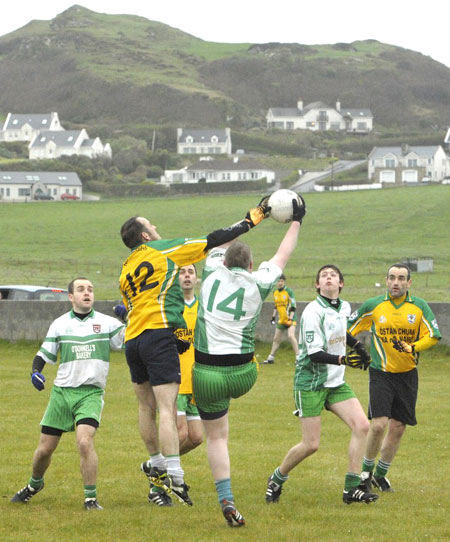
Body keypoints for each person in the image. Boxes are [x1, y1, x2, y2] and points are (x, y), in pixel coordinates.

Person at [119, 200, 269, 507]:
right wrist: (252, 219)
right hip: (157, 334)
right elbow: (212, 239)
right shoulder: (161, 250)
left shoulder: (125, 269)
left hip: (132, 339)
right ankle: (173, 471)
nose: (157, 229)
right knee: (166, 408)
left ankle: (155, 461)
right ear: (145, 236)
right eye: (152, 226)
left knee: (145, 407)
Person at [192, 196, 305, 527]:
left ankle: (226, 499)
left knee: (216, 437)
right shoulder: (261, 282)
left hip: (207, 372)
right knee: (224, 424)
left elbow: (220, 239)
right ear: (252, 267)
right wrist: (296, 219)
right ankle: (229, 499)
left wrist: (252, 219)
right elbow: (284, 254)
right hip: (244, 373)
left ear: (223, 262)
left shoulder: (211, 270)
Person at [265, 265, 378, 506]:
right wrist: (344, 359)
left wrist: (358, 348)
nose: (328, 277)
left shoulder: (343, 307)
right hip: (311, 382)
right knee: (311, 445)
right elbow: (315, 354)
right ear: (317, 285)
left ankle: (351, 489)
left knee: (362, 426)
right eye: (323, 276)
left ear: (341, 284)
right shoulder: (313, 312)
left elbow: (341, 331)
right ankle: (276, 478)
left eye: (333, 275)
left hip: (335, 383)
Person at [11, 277, 125, 510]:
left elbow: (132, 339)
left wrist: (128, 318)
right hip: (62, 393)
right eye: (81, 289)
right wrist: (35, 372)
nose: (87, 293)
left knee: (84, 442)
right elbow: (43, 355)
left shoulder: (107, 323)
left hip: (90, 393)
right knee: (44, 450)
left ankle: (90, 499)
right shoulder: (60, 324)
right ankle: (34, 484)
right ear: (71, 297)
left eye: (91, 289)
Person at [348, 263, 441, 493]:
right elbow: (347, 329)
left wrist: (413, 347)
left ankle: (380, 474)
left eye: (401, 278)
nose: (396, 282)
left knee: (398, 427)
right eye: (392, 278)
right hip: (381, 374)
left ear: (409, 283)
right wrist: (354, 350)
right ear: (386, 281)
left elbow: (434, 335)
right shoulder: (373, 305)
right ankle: (365, 474)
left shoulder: (419, 307)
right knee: (378, 425)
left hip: (408, 375)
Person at [175, 264, 203, 455]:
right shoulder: (170, 308)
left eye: (190, 272)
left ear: (196, 279)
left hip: (196, 382)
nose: (186, 276)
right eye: (182, 272)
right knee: (181, 433)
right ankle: (165, 474)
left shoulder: (204, 309)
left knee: (196, 438)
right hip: (175, 381)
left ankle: (155, 466)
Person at [263, 274, 299, 364]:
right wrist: (273, 317)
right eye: (278, 281)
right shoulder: (275, 292)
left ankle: (299, 357)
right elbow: (276, 305)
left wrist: (290, 319)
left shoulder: (288, 291)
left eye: (282, 281)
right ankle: (271, 358)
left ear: (284, 282)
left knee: (291, 336)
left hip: (290, 318)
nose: (280, 283)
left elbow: (293, 305)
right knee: (276, 338)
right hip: (281, 319)